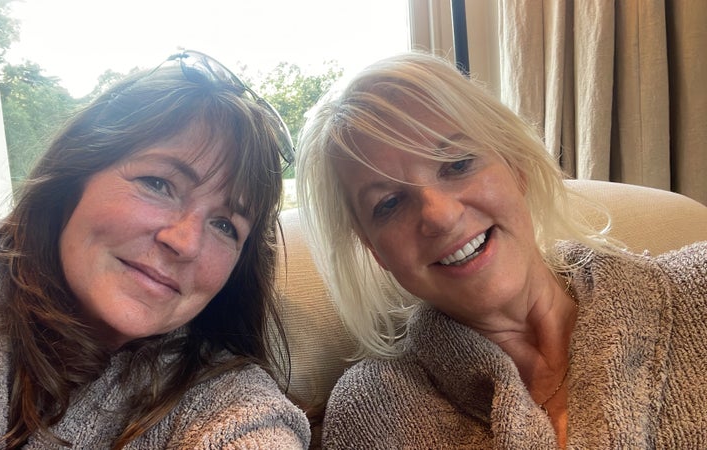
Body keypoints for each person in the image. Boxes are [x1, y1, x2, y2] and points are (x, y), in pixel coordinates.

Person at [296, 51, 707, 448]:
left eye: (457, 164)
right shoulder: (375, 412)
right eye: (389, 203)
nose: (440, 216)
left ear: (516, 166)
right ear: (374, 248)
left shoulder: (698, 285)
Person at [0, 50, 310, 449]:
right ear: (76, 174)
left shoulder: (230, 405)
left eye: (224, 225)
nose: (185, 242)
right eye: (158, 184)